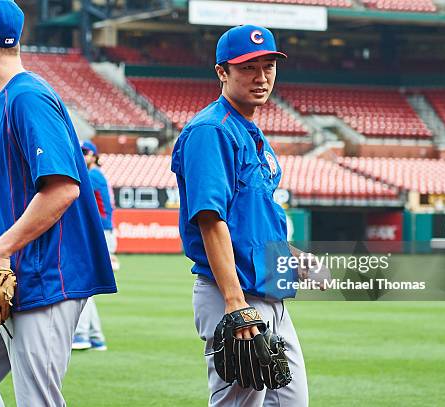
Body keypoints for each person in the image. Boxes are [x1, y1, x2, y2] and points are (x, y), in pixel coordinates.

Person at [0, 1, 116, 405]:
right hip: (13, 273)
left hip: (46, 279)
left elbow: (64, 189)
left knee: (37, 400)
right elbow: (38, 182)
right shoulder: (10, 99)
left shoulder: (27, 97)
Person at [171, 25, 309, 406]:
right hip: (232, 295)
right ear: (222, 72)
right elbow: (210, 219)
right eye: (248, 67)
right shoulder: (211, 131)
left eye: (268, 66)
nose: (261, 77)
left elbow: (251, 223)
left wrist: (293, 258)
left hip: (269, 295)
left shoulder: (248, 131)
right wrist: (235, 304)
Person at [72, 140, 118, 351]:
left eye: (85, 152)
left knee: (82, 285)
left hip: (98, 232)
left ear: (94, 155)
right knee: (86, 286)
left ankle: (81, 335)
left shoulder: (92, 176)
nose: (82, 155)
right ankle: (95, 337)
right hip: (104, 231)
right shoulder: (98, 174)